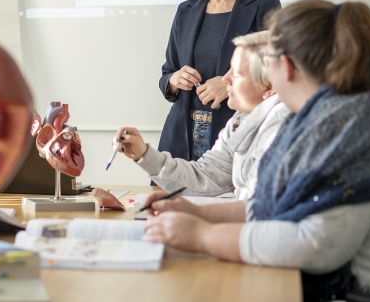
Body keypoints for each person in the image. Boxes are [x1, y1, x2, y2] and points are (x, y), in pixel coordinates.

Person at [141, 0, 370, 302]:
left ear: (287, 68)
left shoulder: (357, 127)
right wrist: (199, 214)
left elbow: (313, 245)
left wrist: (202, 236)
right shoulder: (325, 117)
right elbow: (270, 206)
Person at [158, 0, 280, 162]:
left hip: (236, 137)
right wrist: (174, 79)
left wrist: (232, 85)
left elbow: (278, 75)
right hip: (180, 139)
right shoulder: (186, 10)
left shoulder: (265, 7)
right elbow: (166, 73)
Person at [116, 31, 289, 201]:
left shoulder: (283, 128)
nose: (225, 79)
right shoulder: (240, 120)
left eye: (236, 73)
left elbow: (259, 207)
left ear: (269, 86)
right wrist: (144, 154)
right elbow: (204, 178)